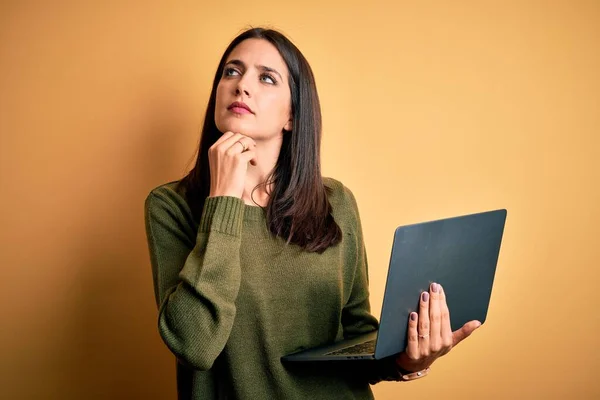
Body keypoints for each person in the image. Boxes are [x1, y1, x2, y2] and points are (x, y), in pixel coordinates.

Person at [144, 27, 481, 399]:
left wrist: (408, 361)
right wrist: (223, 199)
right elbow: (195, 344)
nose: (242, 86)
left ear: (292, 115)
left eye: (266, 78)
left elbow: (357, 337)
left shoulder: (336, 202)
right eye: (232, 72)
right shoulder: (171, 206)